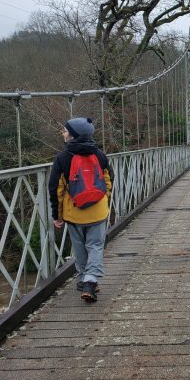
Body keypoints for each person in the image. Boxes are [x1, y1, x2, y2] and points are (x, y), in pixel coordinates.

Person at [49, 117, 112, 302]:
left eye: (65, 130)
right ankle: (89, 281)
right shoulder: (100, 155)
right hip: (98, 211)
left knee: (79, 248)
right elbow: (108, 182)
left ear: (74, 134)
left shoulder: (62, 158)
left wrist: (57, 215)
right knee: (95, 246)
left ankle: (86, 280)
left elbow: (56, 189)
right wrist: (102, 202)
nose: (63, 133)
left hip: (73, 213)